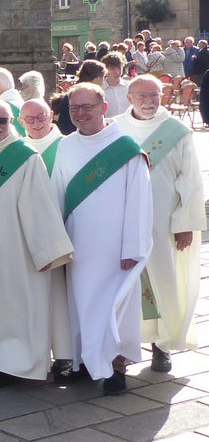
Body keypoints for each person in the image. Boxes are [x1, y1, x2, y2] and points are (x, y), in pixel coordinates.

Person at [0, 100, 74, 386]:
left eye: (2, 120)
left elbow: (40, 205)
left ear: (12, 121)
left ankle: (10, 365)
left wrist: (47, 250)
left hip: (16, 249)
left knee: (12, 306)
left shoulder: (25, 156)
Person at [51, 83, 152, 395]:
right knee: (81, 306)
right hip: (79, 245)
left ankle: (116, 369)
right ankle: (87, 362)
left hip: (115, 248)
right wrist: (57, 243)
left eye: (87, 107)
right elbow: (57, 194)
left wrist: (133, 247)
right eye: (74, 108)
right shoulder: (65, 146)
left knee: (115, 309)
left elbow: (140, 201)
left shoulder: (124, 147)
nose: (81, 114)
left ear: (103, 107)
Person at [114, 76, 202, 373]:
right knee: (125, 286)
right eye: (142, 96)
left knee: (163, 280)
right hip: (122, 223)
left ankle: (161, 346)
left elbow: (190, 180)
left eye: (155, 95)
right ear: (129, 99)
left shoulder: (177, 132)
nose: (149, 101)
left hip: (162, 222)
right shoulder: (114, 129)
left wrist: (185, 223)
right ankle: (124, 346)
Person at [18, 98, 73, 383]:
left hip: (58, 232)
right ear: (20, 121)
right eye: (30, 119)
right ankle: (32, 354)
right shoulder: (16, 150)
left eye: (42, 117)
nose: (37, 123)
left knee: (59, 296)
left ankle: (64, 354)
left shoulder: (66, 145)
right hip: (23, 236)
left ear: (51, 115)